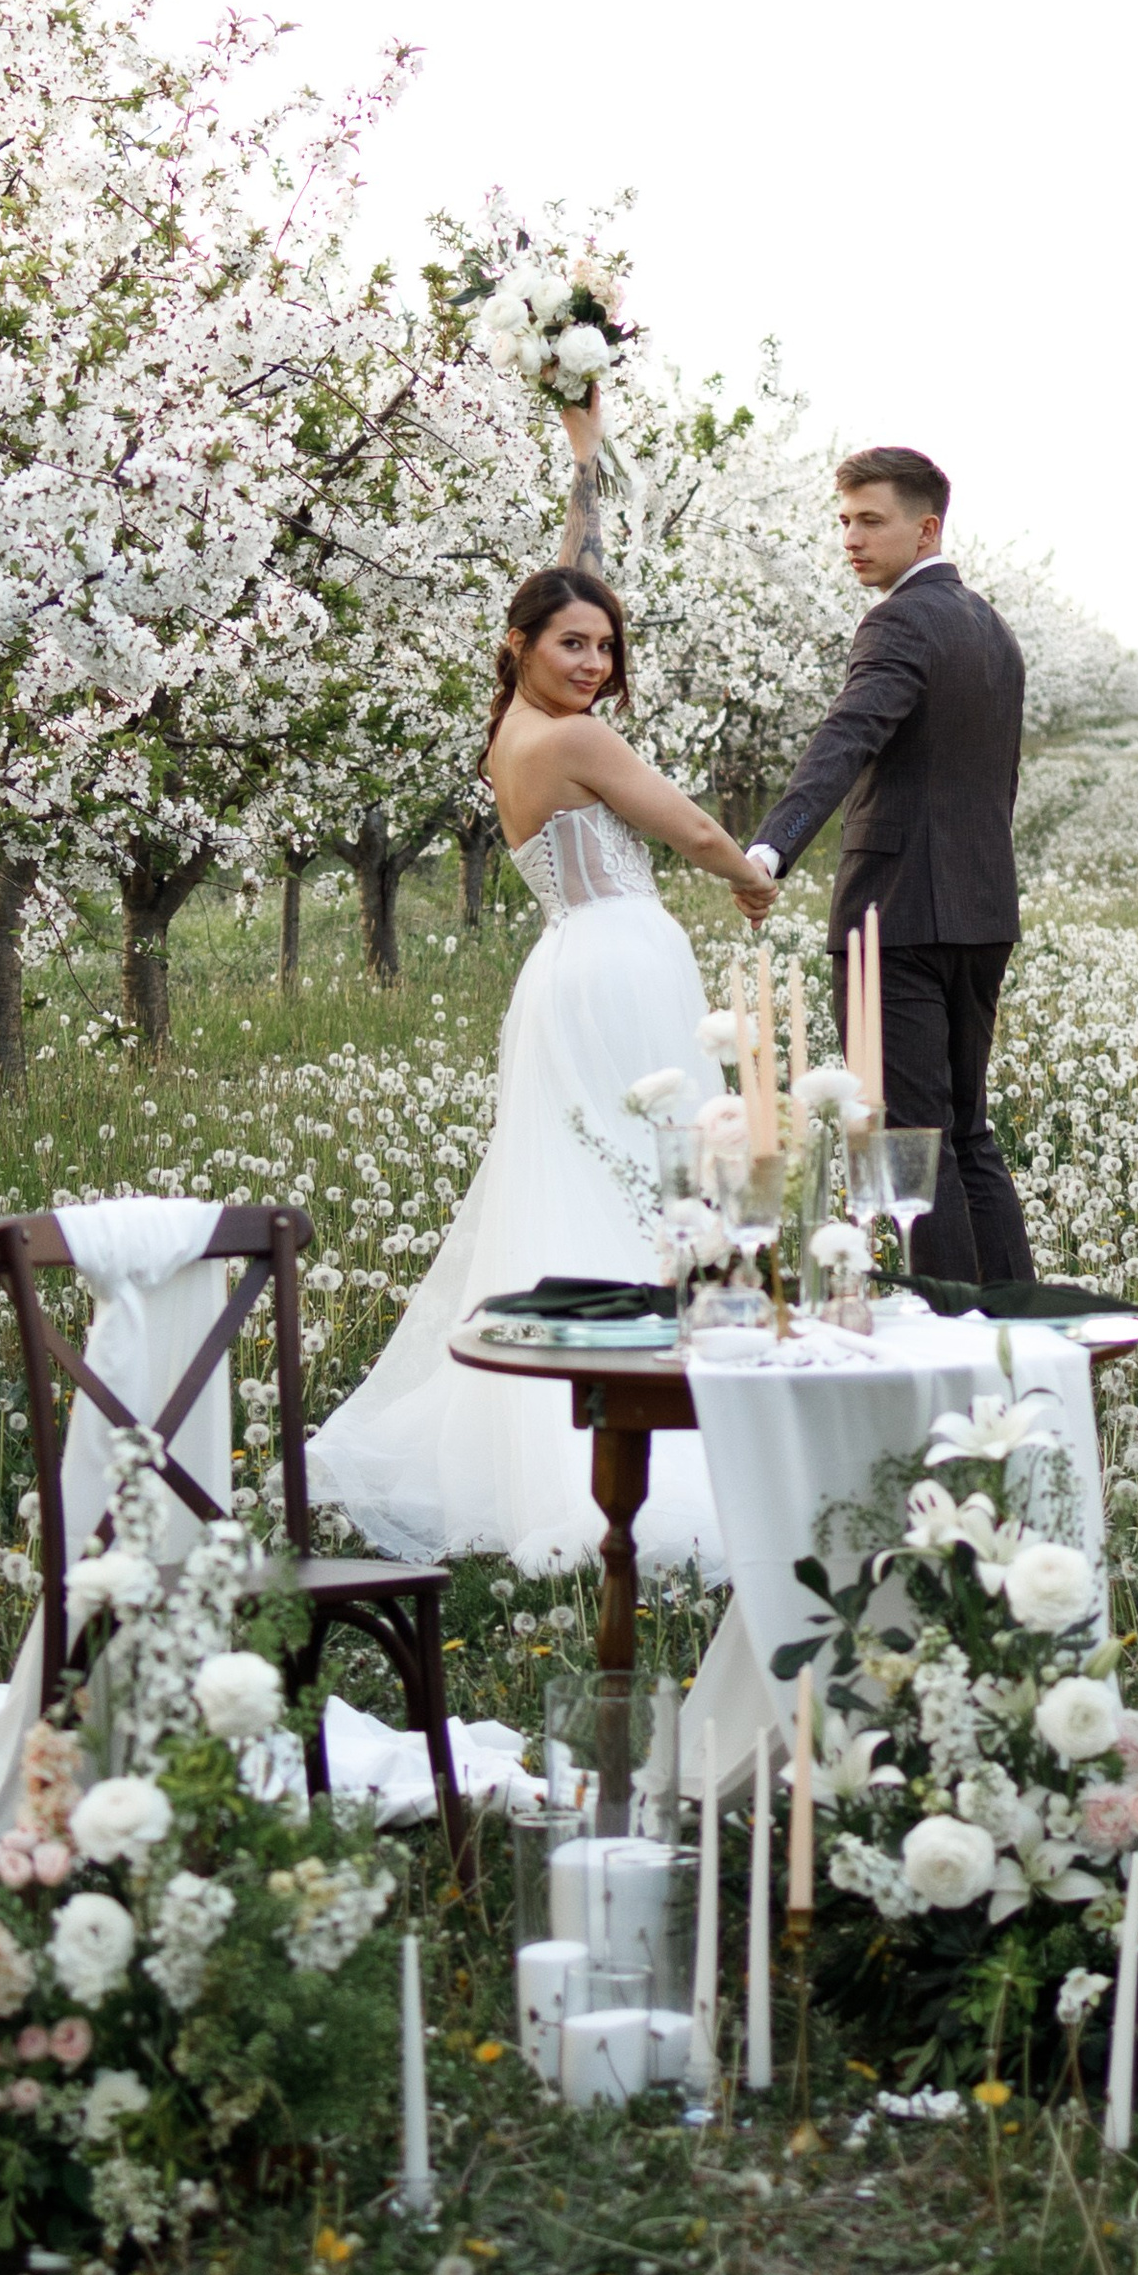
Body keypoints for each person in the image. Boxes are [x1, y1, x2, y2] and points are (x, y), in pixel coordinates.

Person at [307, 390, 776, 1575]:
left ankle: (558, 1441)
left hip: (567, 962)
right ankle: (640, 1463)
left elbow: (571, 576)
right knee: (652, 1178)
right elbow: (690, 831)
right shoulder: (577, 740)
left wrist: (582, 465)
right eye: (575, 644)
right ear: (521, 645)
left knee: (583, 1172)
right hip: (617, 955)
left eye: (607, 648)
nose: (596, 662)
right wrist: (750, 878)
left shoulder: (508, 732)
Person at [743, 444, 1034, 1287]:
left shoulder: (900, 620)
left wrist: (771, 846)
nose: (850, 539)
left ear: (926, 526)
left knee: (909, 1139)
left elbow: (848, 735)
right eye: (843, 520)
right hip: (981, 911)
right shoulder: (992, 628)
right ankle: (1021, 1334)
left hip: (897, 917)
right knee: (967, 1134)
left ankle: (946, 1342)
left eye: (871, 520)